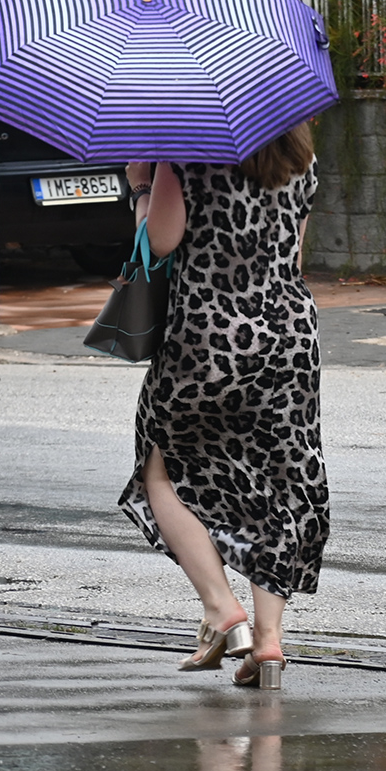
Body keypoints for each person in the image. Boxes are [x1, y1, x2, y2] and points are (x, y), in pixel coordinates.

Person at [118, 122, 329, 691]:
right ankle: (269, 643)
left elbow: (160, 241)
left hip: (209, 335)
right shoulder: (301, 157)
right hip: (290, 336)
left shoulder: (184, 152)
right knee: (279, 480)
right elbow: (294, 253)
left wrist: (142, 186)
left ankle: (220, 608)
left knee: (160, 463)